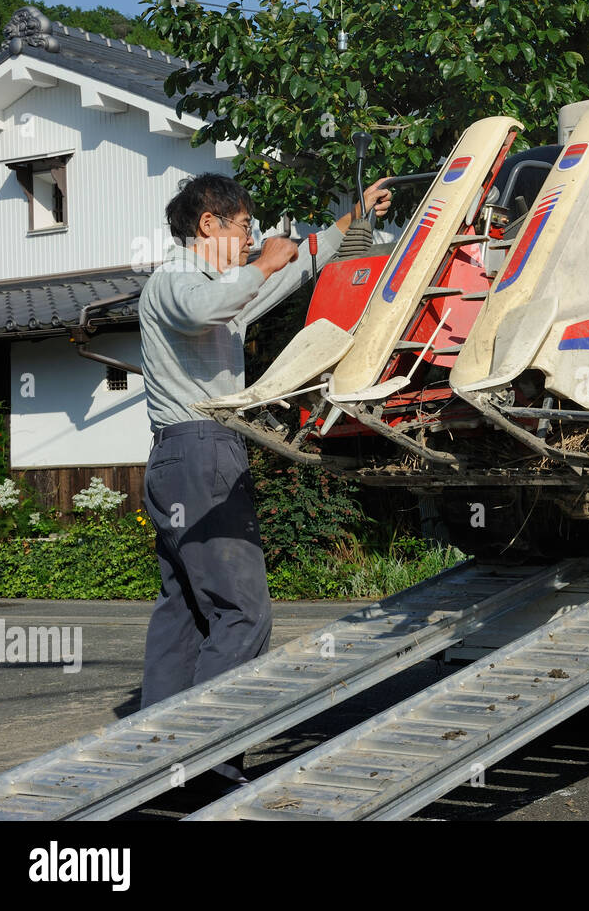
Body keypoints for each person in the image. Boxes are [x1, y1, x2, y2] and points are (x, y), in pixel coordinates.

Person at [137, 172, 391, 783]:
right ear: (209, 225)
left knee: (186, 613)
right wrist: (262, 264)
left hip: (182, 458)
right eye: (244, 225)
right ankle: (211, 764)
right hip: (201, 451)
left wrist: (345, 223)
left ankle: (150, 761)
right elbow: (212, 304)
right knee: (242, 612)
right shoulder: (177, 278)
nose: (253, 236)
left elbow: (283, 275)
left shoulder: (220, 287)